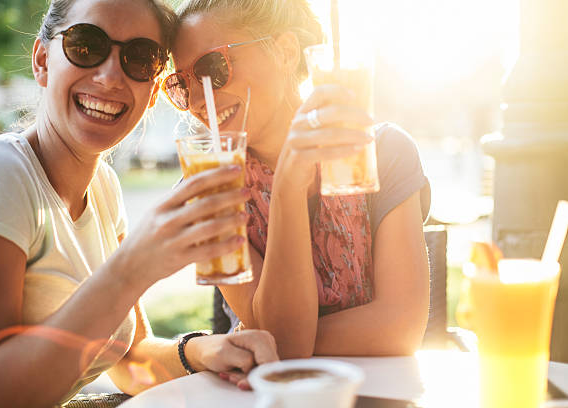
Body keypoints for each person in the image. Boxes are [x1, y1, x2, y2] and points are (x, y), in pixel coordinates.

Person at [0, 0, 278, 406]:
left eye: (140, 58)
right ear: (42, 60)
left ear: (153, 89)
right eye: (86, 46)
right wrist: (132, 270)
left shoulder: (104, 187)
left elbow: (128, 360)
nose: (110, 77)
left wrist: (206, 351)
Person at [163, 0, 431, 359]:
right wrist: (288, 185)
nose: (197, 99)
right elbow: (285, 346)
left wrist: (270, 339)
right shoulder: (209, 186)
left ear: (286, 51)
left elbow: (401, 329)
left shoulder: (382, 152)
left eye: (212, 68)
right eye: (181, 84)